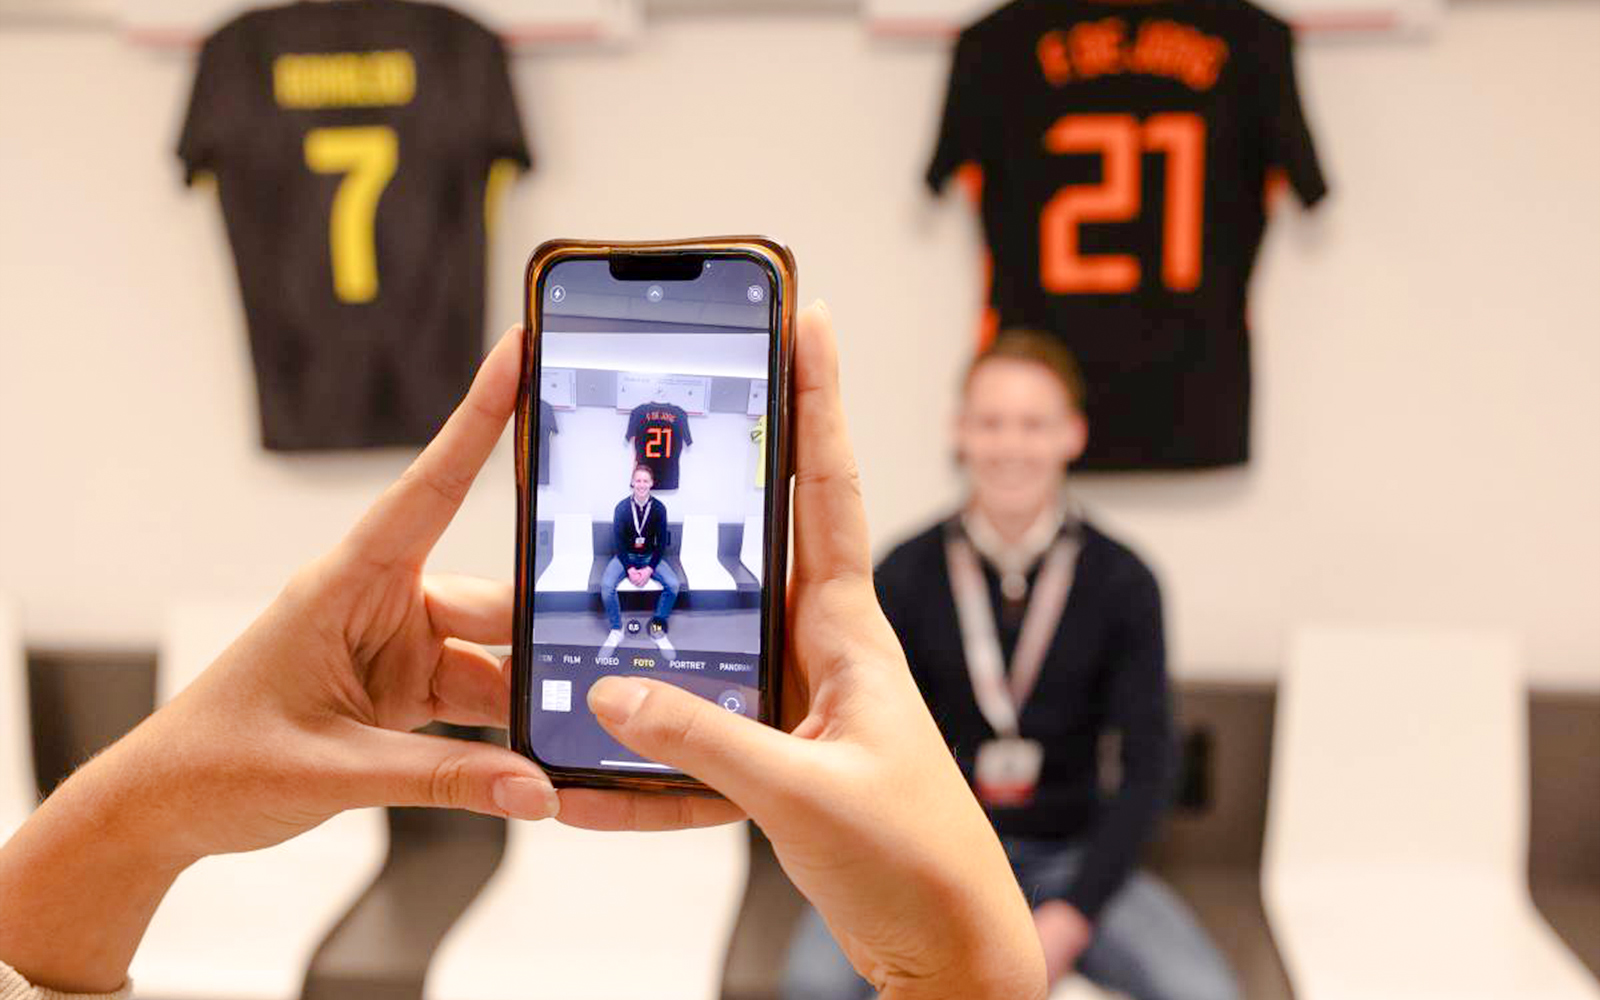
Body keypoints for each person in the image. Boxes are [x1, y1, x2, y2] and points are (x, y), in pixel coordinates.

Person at [0, 304, 1049, 1000]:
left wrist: (137, 815)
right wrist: (978, 969)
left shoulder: (1113, 581)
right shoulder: (861, 559)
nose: (645, 473)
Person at [782, 331, 1240, 1000]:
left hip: (1072, 857)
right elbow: (869, 743)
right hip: (928, 856)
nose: (1011, 445)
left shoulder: (1125, 581)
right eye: (991, 423)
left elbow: (1149, 765)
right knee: (811, 985)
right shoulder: (904, 574)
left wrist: (1074, 914)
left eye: (1034, 424)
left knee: (1205, 992)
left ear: (1073, 435)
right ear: (960, 432)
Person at [599, 463, 680, 655]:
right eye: (638, 480)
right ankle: (617, 630)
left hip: (650, 556)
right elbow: (618, 542)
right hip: (625, 556)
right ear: (632, 483)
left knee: (673, 584)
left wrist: (649, 569)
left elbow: (661, 544)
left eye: (645, 481)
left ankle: (657, 629)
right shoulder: (621, 508)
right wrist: (629, 569)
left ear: (651, 483)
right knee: (606, 586)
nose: (641, 484)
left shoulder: (659, 508)